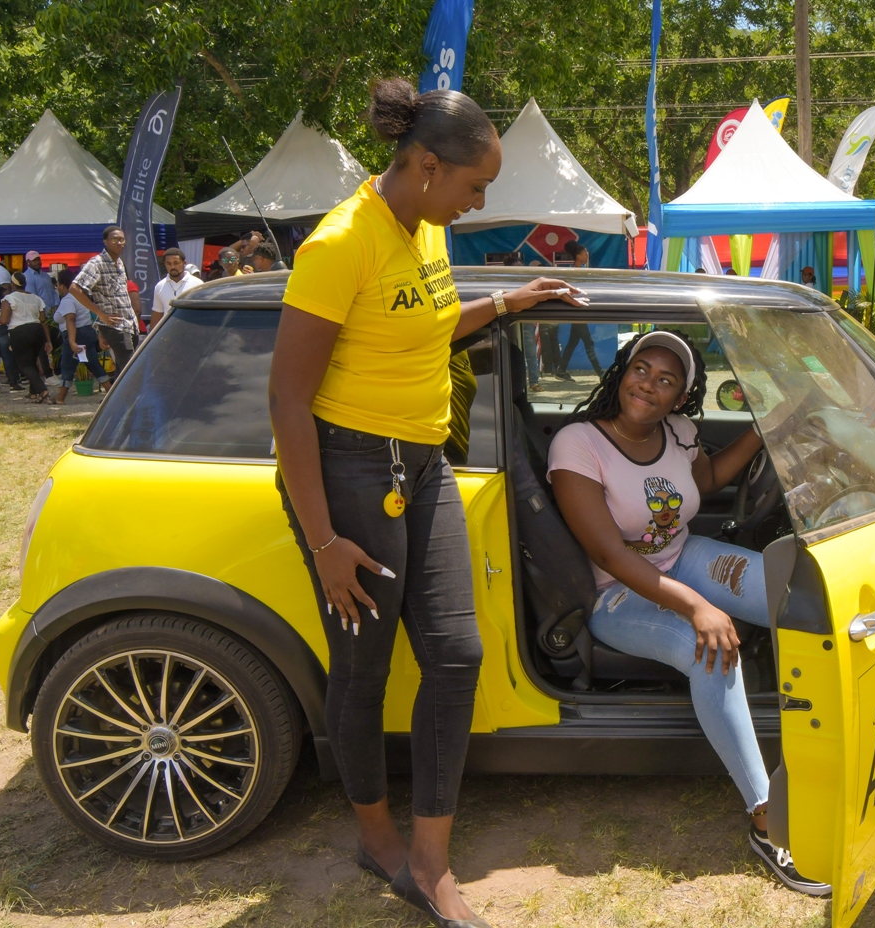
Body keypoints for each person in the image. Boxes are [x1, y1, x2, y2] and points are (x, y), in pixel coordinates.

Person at [268, 75, 582, 927]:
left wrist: (506, 302)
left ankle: (432, 863)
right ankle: (377, 838)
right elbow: (288, 401)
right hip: (350, 476)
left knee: (456, 656)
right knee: (363, 670)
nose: (481, 199)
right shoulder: (340, 243)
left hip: (424, 465)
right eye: (475, 185)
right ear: (424, 164)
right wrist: (325, 538)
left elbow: (422, 324)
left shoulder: (426, 228)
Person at [548, 331, 830, 898]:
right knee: (712, 649)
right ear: (622, 373)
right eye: (641, 369)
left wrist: (767, 427)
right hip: (618, 593)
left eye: (666, 379)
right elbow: (608, 553)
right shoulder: (578, 444)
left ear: (681, 397)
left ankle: (832, 747)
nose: (648, 384)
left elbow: (705, 482)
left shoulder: (678, 433)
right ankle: (767, 816)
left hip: (685, 558)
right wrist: (699, 607)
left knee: (798, 597)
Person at [71, 226, 140, 373]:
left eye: (122, 239)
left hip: (129, 323)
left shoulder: (119, 262)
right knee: (129, 369)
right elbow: (75, 289)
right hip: (115, 325)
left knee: (123, 368)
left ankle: (116, 396)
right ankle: (128, 396)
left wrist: (101, 332)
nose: (119, 242)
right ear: (105, 242)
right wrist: (101, 315)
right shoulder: (97, 263)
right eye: (115, 239)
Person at [51, 269, 110, 404]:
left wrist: (72, 342)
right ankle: (111, 392)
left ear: (62, 285)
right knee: (93, 364)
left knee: (67, 365)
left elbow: (70, 319)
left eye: (58, 285)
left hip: (75, 334)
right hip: (88, 332)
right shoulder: (81, 297)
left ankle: (60, 397)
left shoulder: (68, 300)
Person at [553, 244, 603, 381]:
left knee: (572, 342)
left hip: (579, 310)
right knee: (589, 342)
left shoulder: (581, 270)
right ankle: (601, 374)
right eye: (585, 254)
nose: (587, 256)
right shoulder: (573, 272)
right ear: (578, 256)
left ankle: (561, 370)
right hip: (577, 310)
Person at [1, 272, 50, 402]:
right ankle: (33, 393)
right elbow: (43, 319)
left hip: (19, 332)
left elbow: (4, 320)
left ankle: (42, 389)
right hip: (37, 330)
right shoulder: (36, 298)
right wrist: (48, 340)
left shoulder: (9, 299)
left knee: (24, 364)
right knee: (32, 361)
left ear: (12, 284)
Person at [151, 247, 204, 329]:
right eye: (168, 263)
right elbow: (157, 314)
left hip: (192, 332)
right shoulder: (159, 286)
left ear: (184, 263)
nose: (172, 267)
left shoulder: (198, 284)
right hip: (168, 334)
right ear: (164, 264)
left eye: (176, 263)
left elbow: (203, 313)